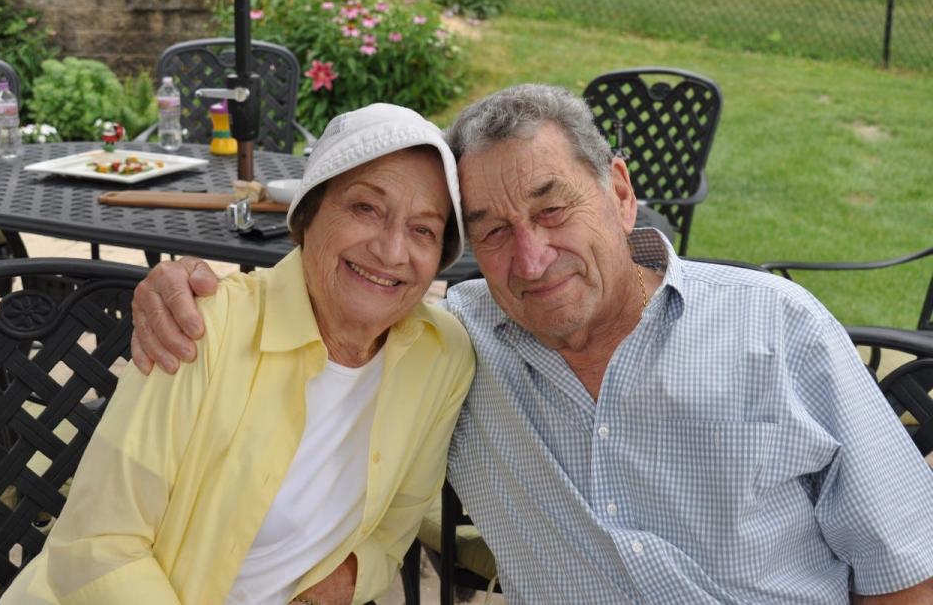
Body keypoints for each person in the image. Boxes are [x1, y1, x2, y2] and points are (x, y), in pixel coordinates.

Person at [129, 85, 933, 603]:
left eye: (553, 211)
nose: (531, 258)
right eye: (493, 231)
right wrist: (204, 293)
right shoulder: (459, 346)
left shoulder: (777, 330)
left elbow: (909, 573)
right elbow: (354, 288)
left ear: (620, 193)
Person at [0, 103, 475, 605]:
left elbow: (395, 522)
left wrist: (341, 582)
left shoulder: (441, 356)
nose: (392, 250)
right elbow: (99, 544)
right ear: (308, 214)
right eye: (365, 208)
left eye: (424, 229)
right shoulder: (201, 327)